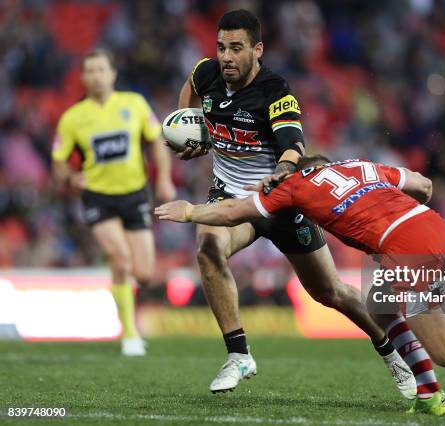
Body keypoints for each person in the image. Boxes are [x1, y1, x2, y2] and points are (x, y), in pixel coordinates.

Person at [155, 155, 445, 415]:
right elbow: (424, 185)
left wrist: (191, 211)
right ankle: (430, 395)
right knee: (379, 307)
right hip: (429, 228)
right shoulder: (360, 165)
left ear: (300, 172)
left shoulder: (294, 188)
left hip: (409, 247)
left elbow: (233, 212)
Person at [171, 9, 415, 396]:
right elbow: (190, 85)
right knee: (207, 246)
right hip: (231, 197)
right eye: (221, 48)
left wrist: (280, 172)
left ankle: (389, 350)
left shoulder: (276, 92)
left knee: (331, 293)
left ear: (257, 49)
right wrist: (187, 124)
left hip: (280, 202)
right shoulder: (207, 73)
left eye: (236, 48)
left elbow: (294, 147)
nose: (227, 57)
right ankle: (238, 354)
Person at [52, 49, 176, 356]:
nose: (95, 75)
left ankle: (130, 315)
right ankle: (130, 334)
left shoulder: (134, 105)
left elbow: (157, 141)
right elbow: (58, 160)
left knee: (145, 274)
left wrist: (163, 180)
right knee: (120, 260)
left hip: (134, 194)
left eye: (100, 69)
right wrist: (70, 177)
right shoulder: (72, 118)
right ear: (82, 78)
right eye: (90, 70)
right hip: (98, 197)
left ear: (112, 74)